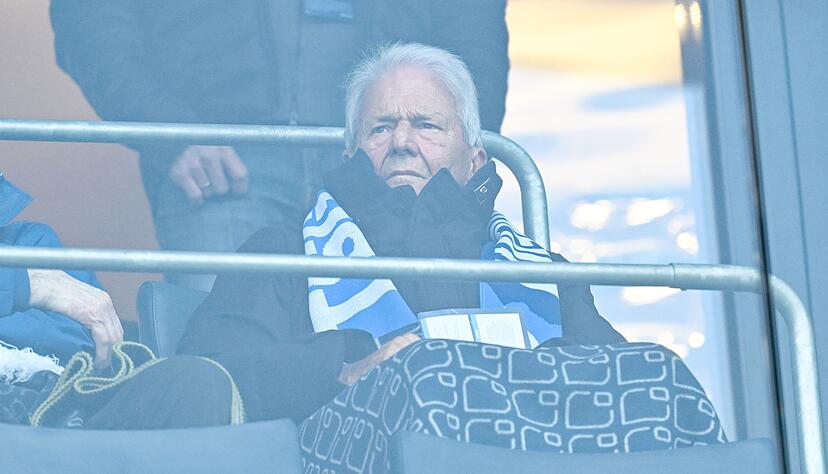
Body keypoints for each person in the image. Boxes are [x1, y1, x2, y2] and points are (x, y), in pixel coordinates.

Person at [177, 44, 724, 472]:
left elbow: (622, 383)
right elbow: (201, 384)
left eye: (427, 124)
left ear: (476, 157)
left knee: (662, 374)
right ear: (349, 154)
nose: (402, 142)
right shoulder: (285, 253)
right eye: (381, 127)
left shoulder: (543, 272)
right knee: (428, 371)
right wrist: (343, 368)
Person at [49, 0, 510, 291]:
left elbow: (475, 30)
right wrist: (170, 133)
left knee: (404, 342)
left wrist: (455, 148)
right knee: (224, 355)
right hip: (223, 163)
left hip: (383, 158)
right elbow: (90, 19)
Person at [0, 172, 238, 429]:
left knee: (196, 380)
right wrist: (25, 286)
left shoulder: (29, 240)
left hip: (60, 417)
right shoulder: (28, 262)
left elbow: (84, 347)